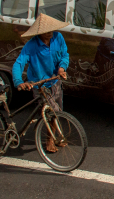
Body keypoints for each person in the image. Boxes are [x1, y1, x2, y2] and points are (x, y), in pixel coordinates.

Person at [12, 13, 70, 153]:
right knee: (53, 112)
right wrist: (19, 81)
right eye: (46, 32)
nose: (49, 33)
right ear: (40, 33)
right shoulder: (31, 45)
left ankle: (56, 135)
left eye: (51, 30)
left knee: (58, 110)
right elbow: (19, 64)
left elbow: (64, 55)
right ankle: (50, 140)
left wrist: (62, 68)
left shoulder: (58, 38)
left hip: (54, 81)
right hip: (40, 85)